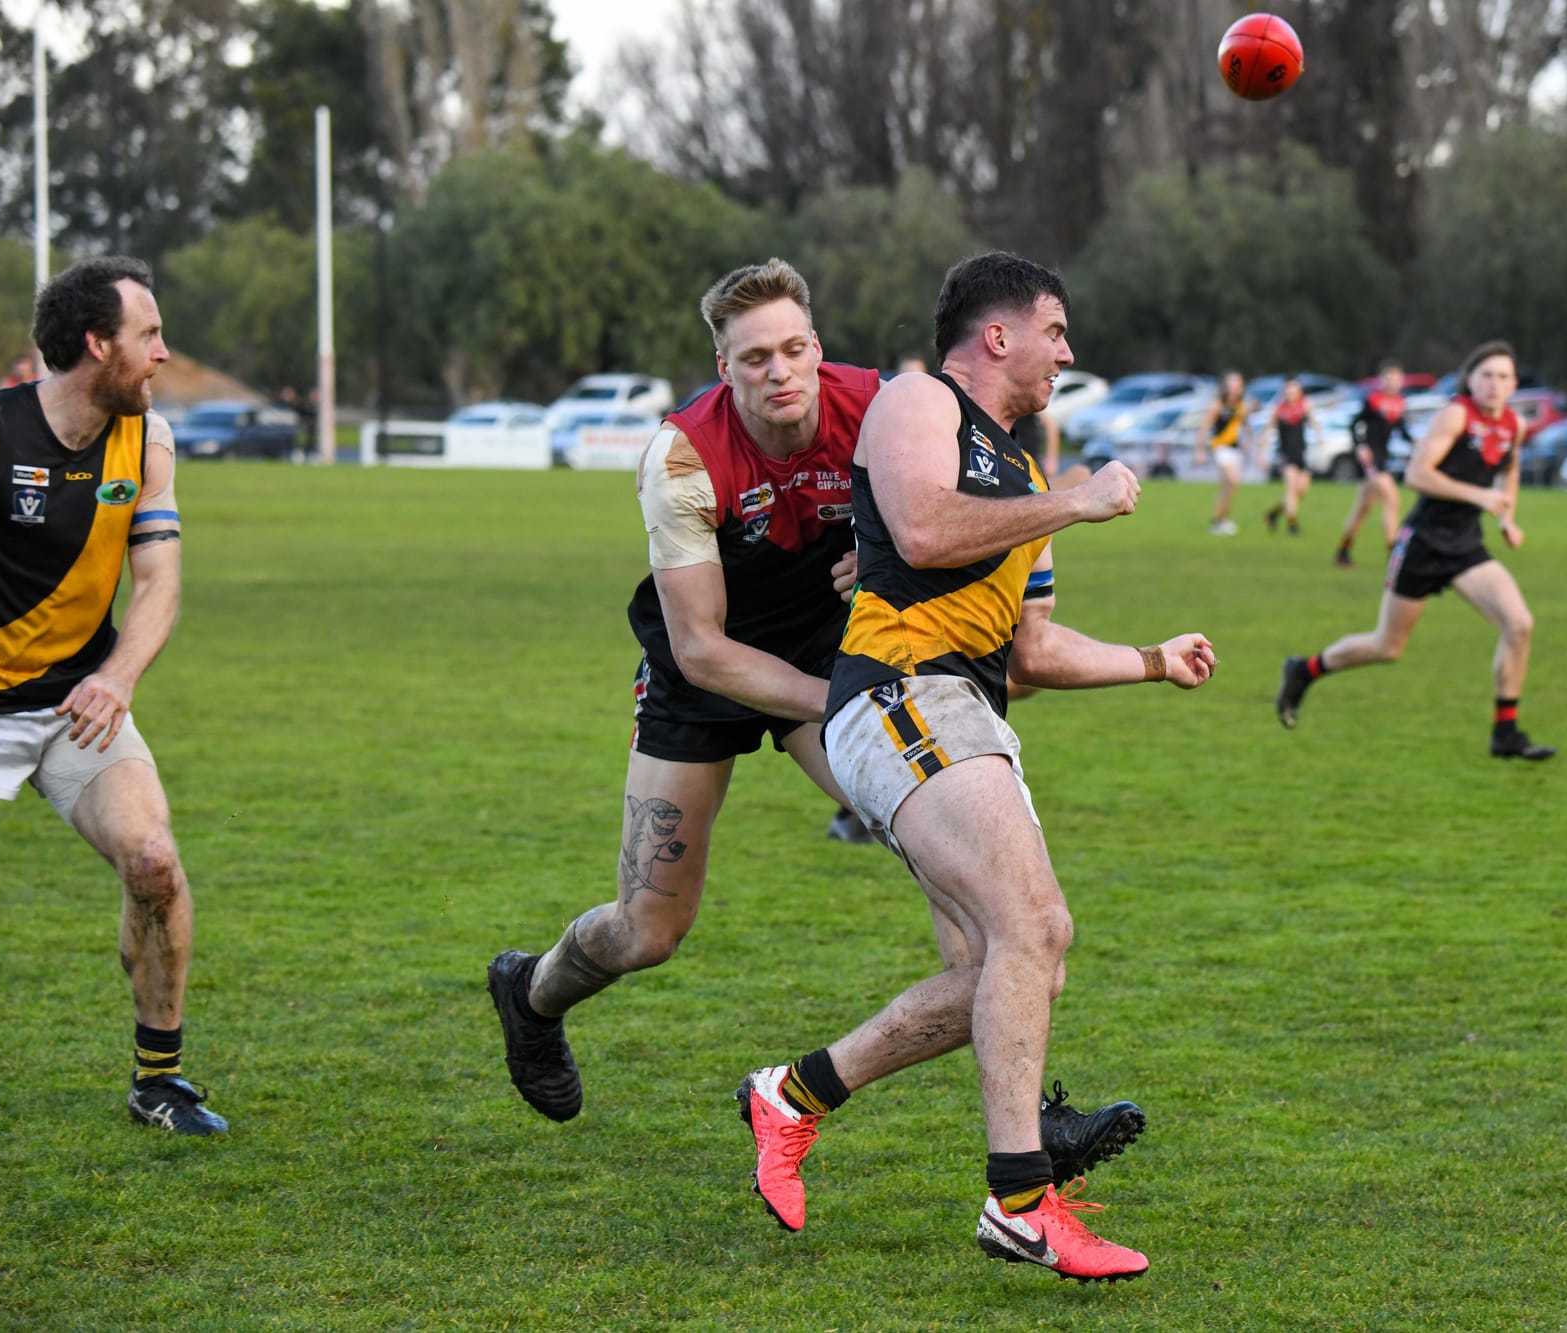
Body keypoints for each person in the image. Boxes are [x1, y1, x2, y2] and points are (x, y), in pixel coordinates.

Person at [485, 259, 1147, 1177]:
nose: (780, 370)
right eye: (755, 357)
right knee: (649, 929)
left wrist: (874, 573)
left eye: (795, 348)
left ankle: (1028, 1122)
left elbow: (923, 515)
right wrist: (842, 706)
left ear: (819, 347)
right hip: (708, 668)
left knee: (956, 864)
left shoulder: (881, 403)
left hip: (837, 656)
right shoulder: (681, 456)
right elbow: (703, 645)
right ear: (724, 368)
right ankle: (534, 992)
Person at [736, 252, 1217, 1282]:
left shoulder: (1031, 479)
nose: (1067, 351)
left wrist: (1147, 660)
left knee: (999, 971)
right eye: (1056, 329)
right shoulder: (920, 402)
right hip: (899, 692)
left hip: (965, 709)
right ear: (997, 334)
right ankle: (1018, 1199)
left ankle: (794, 1094)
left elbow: (1030, 651)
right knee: (1034, 928)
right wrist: (1077, 504)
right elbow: (919, 526)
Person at [0, 257, 225, 1134]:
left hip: (78, 705)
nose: (162, 353)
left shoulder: (146, 440)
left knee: (153, 859)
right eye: (148, 334)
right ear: (96, 343)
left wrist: (115, 678)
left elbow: (157, 583)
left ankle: (159, 1078)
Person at [1276, 341, 1554, 760]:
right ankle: (1304, 670)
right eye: (1486, 376)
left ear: (1514, 384)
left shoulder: (1513, 424)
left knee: (1519, 624)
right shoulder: (1456, 414)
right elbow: (1418, 475)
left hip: (1465, 546)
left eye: (1503, 377)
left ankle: (1506, 733)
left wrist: (1506, 520)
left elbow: (1509, 471)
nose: (1495, 385)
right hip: (1423, 542)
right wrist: (1480, 497)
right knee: (1387, 647)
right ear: (1471, 381)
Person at [1334, 361, 1415, 567]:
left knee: (1362, 508)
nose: (1394, 382)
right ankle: (1394, 554)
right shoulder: (1373, 400)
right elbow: (1354, 425)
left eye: (1397, 378)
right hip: (1371, 461)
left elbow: (1401, 430)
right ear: (1382, 380)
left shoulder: (1399, 403)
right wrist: (1360, 446)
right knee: (1392, 500)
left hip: (1383, 458)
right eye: (1389, 378)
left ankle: (1343, 551)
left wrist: (1416, 443)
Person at [1200, 371, 1256, 535]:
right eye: (1231, 384)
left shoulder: (1240, 406)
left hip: (1234, 450)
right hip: (1219, 448)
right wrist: (1200, 450)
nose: (1234, 387)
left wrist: (1248, 442)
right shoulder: (1218, 404)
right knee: (1233, 481)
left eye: (1237, 384)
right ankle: (1220, 520)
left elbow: (1246, 426)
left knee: (1228, 487)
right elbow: (1204, 426)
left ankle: (1220, 519)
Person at [1262, 377, 1313, 535]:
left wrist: (1320, 438)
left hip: (1301, 454)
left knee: (1301, 490)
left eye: (1294, 389)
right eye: (1288, 390)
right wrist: (1261, 452)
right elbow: (1267, 429)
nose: (1290, 393)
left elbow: (1314, 423)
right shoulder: (1279, 409)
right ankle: (1293, 525)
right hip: (1286, 454)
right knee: (1291, 490)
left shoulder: (1305, 405)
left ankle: (1273, 514)